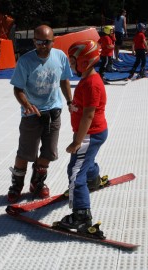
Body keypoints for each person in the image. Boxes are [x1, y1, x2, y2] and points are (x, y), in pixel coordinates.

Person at [8, 24, 73, 203]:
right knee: (25, 153)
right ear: (33, 41)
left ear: (53, 41)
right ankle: (16, 185)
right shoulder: (25, 61)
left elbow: (64, 80)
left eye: (46, 42)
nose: (43, 45)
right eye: (38, 42)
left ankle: (37, 182)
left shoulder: (60, 57)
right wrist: (27, 105)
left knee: (49, 152)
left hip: (54, 112)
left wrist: (69, 101)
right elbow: (18, 89)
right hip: (32, 114)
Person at [55, 40, 108, 234]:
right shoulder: (88, 80)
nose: (71, 64)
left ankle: (81, 216)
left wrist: (78, 141)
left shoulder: (91, 83)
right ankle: (93, 180)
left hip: (89, 135)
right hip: (93, 133)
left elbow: (89, 115)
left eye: (73, 61)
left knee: (75, 172)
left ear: (84, 62)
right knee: (86, 161)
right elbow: (84, 108)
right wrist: (73, 105)